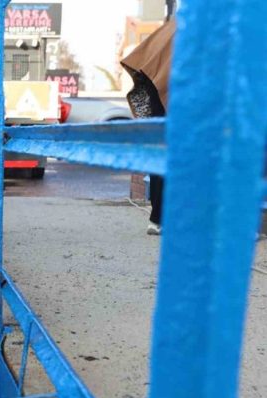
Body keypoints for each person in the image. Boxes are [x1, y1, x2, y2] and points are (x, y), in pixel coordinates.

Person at [121, 18, 176, 236]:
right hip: (178, 104)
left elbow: (144, 62)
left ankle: (157, 219)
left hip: (159, 95)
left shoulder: (172, 28)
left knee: (160, 161)